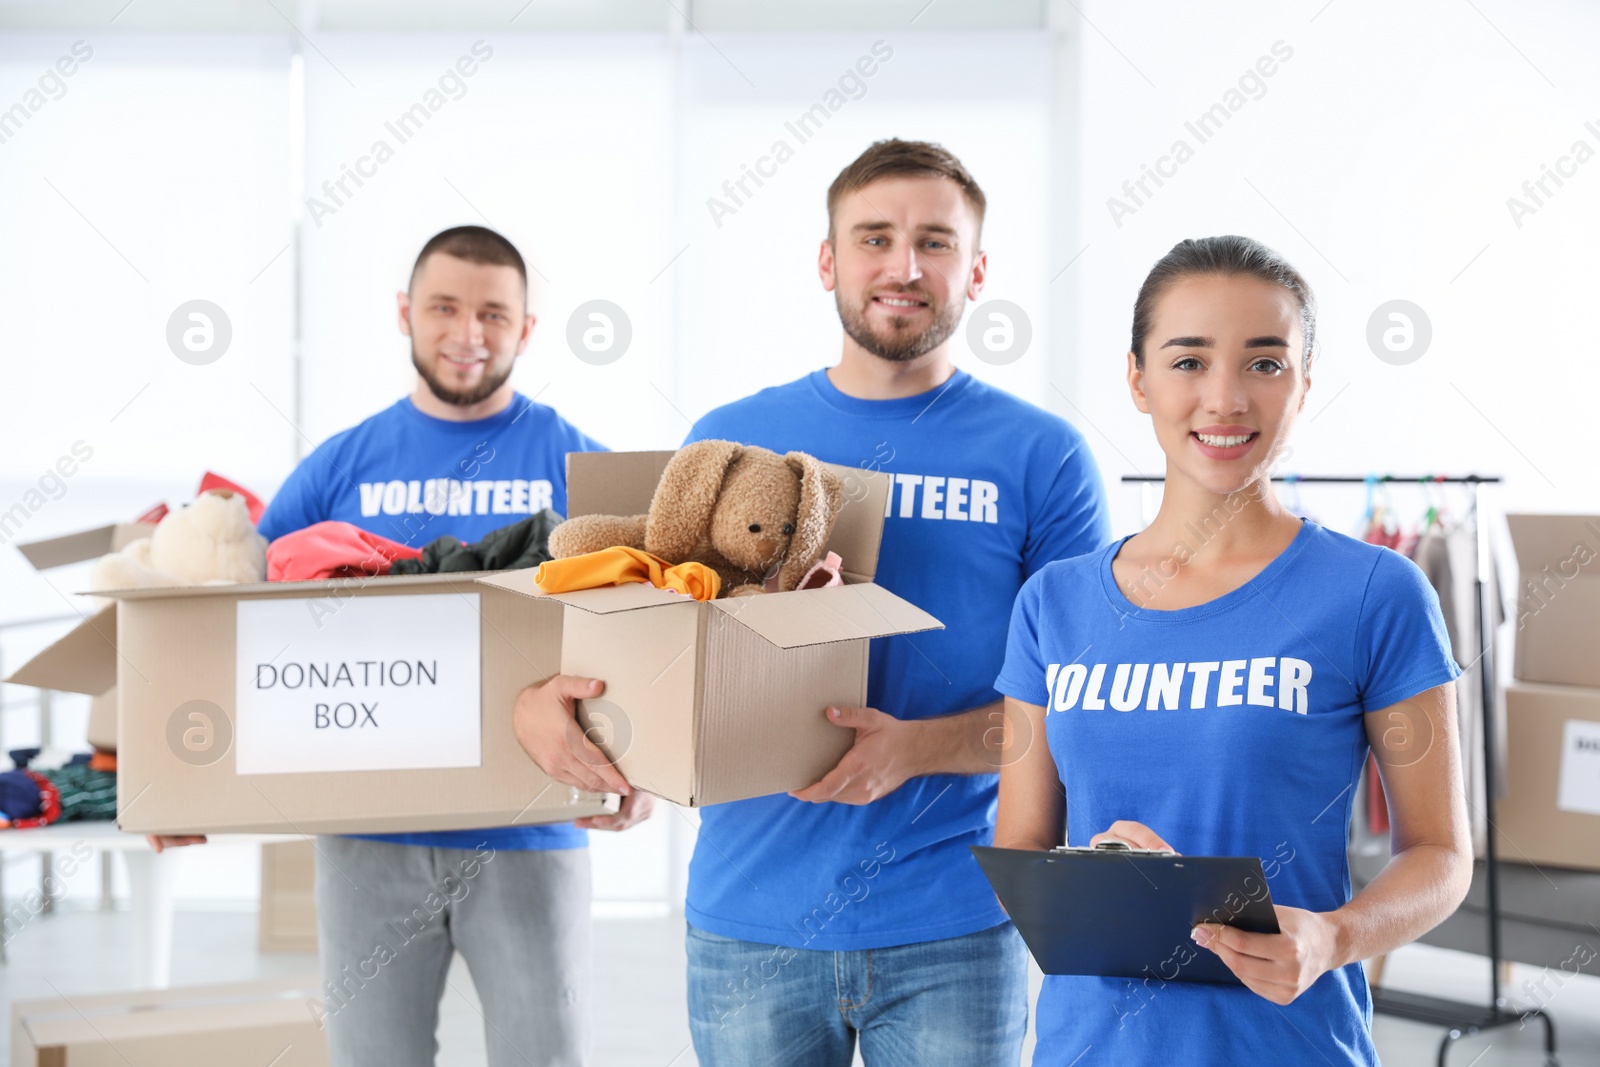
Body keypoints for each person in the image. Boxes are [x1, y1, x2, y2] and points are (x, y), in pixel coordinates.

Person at [515, 139, 1110, 1065]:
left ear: (978, 270)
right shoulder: (731, 440)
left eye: (936, 242)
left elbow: (1077, 706)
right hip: (750, 919)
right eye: (874, 238)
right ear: (828, 262)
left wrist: (915, 750)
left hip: (954, 922)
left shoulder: (1044, 457)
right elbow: (659, 631)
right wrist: (592, 729)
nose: (904, 267)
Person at [157, 226, 654, 1067]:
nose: (469, 333)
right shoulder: (340, 466)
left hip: (530, 830)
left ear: (527, 327)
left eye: (494, 313)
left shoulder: (577, 466)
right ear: (405, 314)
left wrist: (647, 764)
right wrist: (180, 781)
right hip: (366, 838)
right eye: (445, 308)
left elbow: (651, 618)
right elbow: (231, 624)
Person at [992, 235, 1472, 1065]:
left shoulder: (1376, 594)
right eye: (1187, 361)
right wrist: (1112, 878)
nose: (1225, 398)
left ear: (1305, 382)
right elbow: (1023, 846)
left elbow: (1440, 854)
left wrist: (1331, 936)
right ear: (1137, 379)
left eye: (1264, 362)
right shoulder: (1053, 605)